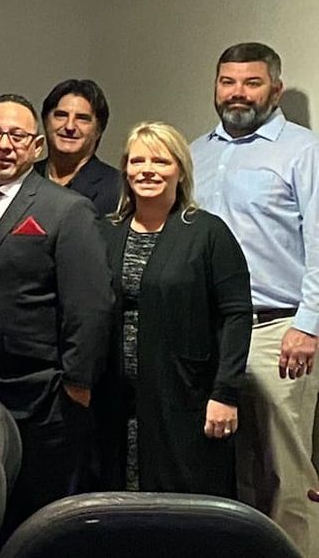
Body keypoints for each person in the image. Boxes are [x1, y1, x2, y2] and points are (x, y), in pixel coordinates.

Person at [0, 94, 113, 537]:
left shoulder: (65, 209)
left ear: (37, 146)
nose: (5, 145)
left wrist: (77, 382)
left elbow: (91, 304)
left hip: (37, 395)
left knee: (32, 520)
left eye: (18, 136)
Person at [188, 42, 319, 550]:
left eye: (251, 82)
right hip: (209, 335)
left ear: (276, 89)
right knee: (225, 474)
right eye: (227, 82)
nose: (237, 93)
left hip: (276, 331)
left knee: (284, 477)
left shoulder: (304, 150)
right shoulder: (197, 152)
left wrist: (308, 324)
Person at [96, 121, 251, 499]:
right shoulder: (105, 230)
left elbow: (236, 314)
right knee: (122, 493)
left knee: (180, 503)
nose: (147, 169)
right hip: (116, 401)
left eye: (160, 161)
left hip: (185, 399)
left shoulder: (207, 233)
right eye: (138, 160)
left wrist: (225, 393)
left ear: (180, 170)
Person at [32, 79, 121, 217]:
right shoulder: (25, 177)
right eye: (61, 115)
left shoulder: (117, 187)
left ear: (98, 130)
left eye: (82, 118)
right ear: (45, 121)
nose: (69, 127)